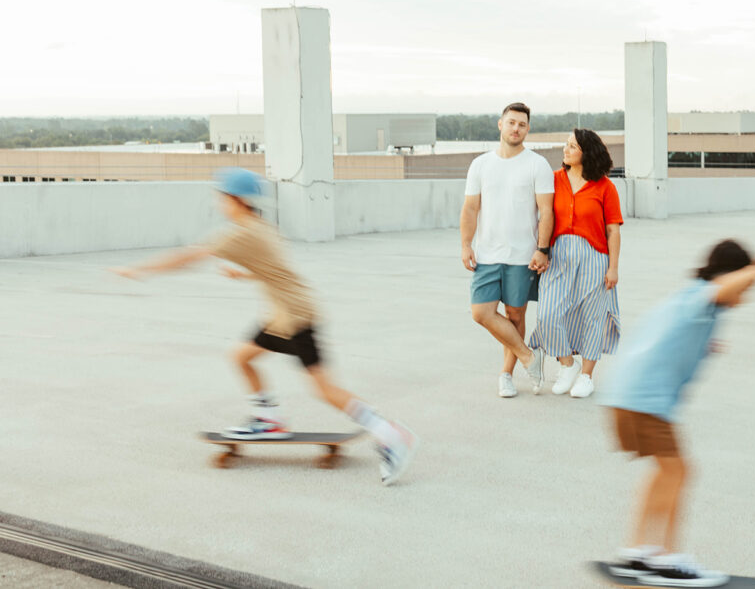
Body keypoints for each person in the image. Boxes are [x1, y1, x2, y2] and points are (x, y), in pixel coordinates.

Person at [112, 168, 417, 486]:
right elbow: (276, 270)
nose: (219, 202)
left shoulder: (241, 233)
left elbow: (190, 256)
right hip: (282, 316)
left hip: (295, 317)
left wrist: (140, 270)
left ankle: (391, 435)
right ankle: (269, 419)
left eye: (223, 197)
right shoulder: (261, 228)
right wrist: (243, 275)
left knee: (324, 389)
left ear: (238, 200)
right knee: (241, 356)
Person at [598, 240, 755, 586]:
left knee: (665, 471)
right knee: (679, 470)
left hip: (624, 397)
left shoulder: (692, 296)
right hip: (644, 401)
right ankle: (667, 559)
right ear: (730, 276)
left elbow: (729, 286)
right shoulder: (700, 299)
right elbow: (725, 287)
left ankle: (638, 553)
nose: (746, 296)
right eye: (746, 285)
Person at [460, 102, 554, 398]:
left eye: (522, 124)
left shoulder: (537, 164)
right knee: (481, 312)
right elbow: (471, 207)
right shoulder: (481, 164)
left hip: (522, 256)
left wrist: (543, 249)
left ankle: (506, 375)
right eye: (511, 122)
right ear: (500, 124)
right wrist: (466, 244)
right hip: (487, 254)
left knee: (515, 316)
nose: (516, 128)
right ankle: (529, 357)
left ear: (528, 129)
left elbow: (546, 212)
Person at [528, 128, 622, 398]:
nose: (565, 150)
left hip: (595, 256)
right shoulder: (554, 180)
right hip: (558, 255)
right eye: (566, 144)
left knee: (593, 317)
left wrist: (613, 268)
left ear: (587, 153)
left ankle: (586, 376)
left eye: (572, 146)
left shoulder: (605, 186)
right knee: (548, 313)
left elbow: (613, 230)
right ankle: (567, 363)